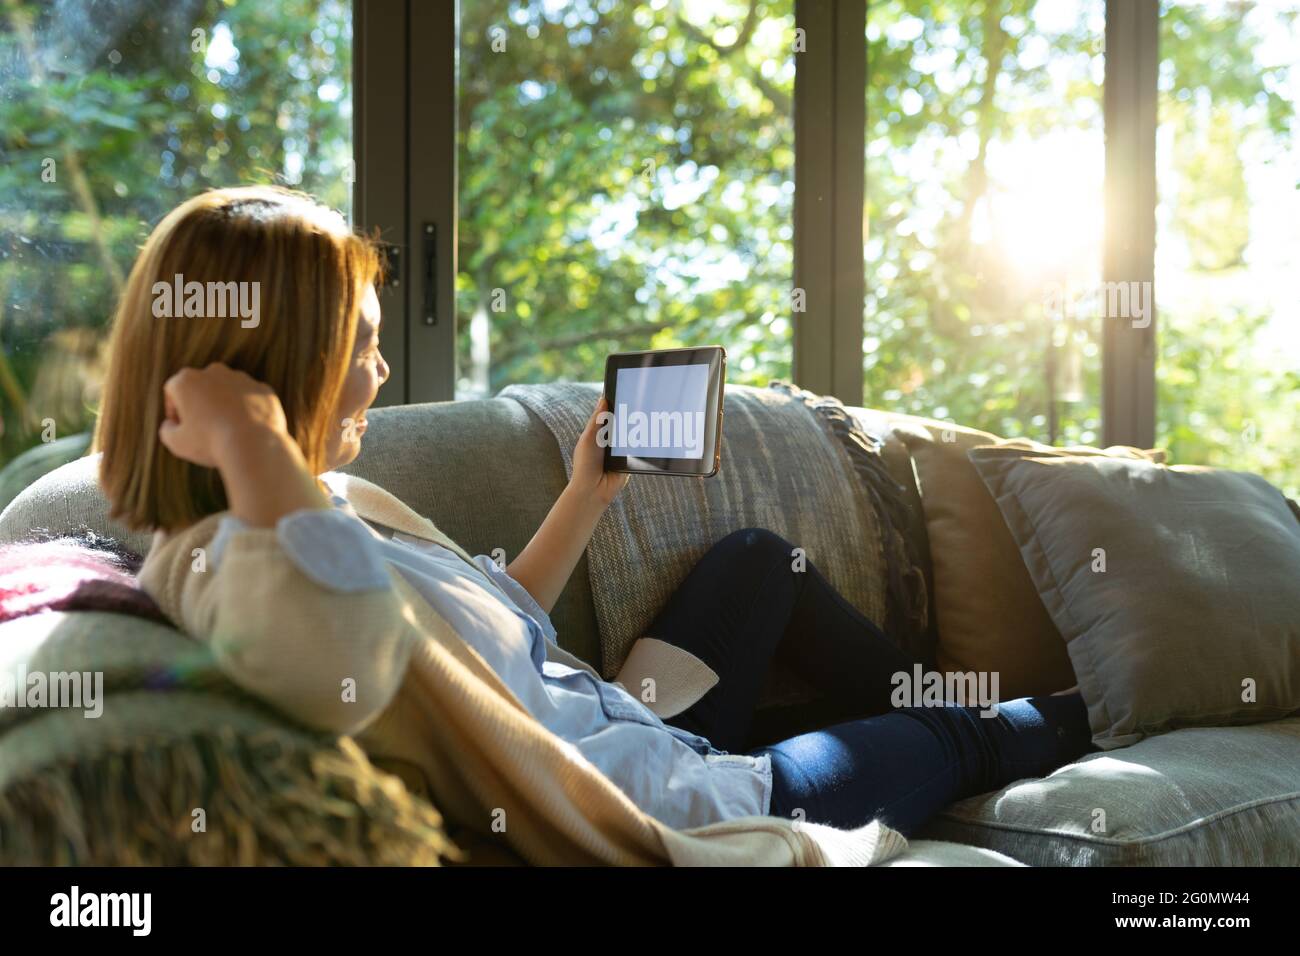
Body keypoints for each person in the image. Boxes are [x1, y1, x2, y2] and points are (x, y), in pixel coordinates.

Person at [98, 186, 1095, 843]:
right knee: (976, 740)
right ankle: (1104, 711)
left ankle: (913, 706)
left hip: (636, 721)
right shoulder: (228, 562)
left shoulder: (333, 508)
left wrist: (586, 492)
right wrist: (257, 440)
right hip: (679, 806)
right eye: (359, 346)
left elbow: (492, 631)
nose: (381, 370)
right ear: (277, 370)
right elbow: (342, 650)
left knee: (754, 560)